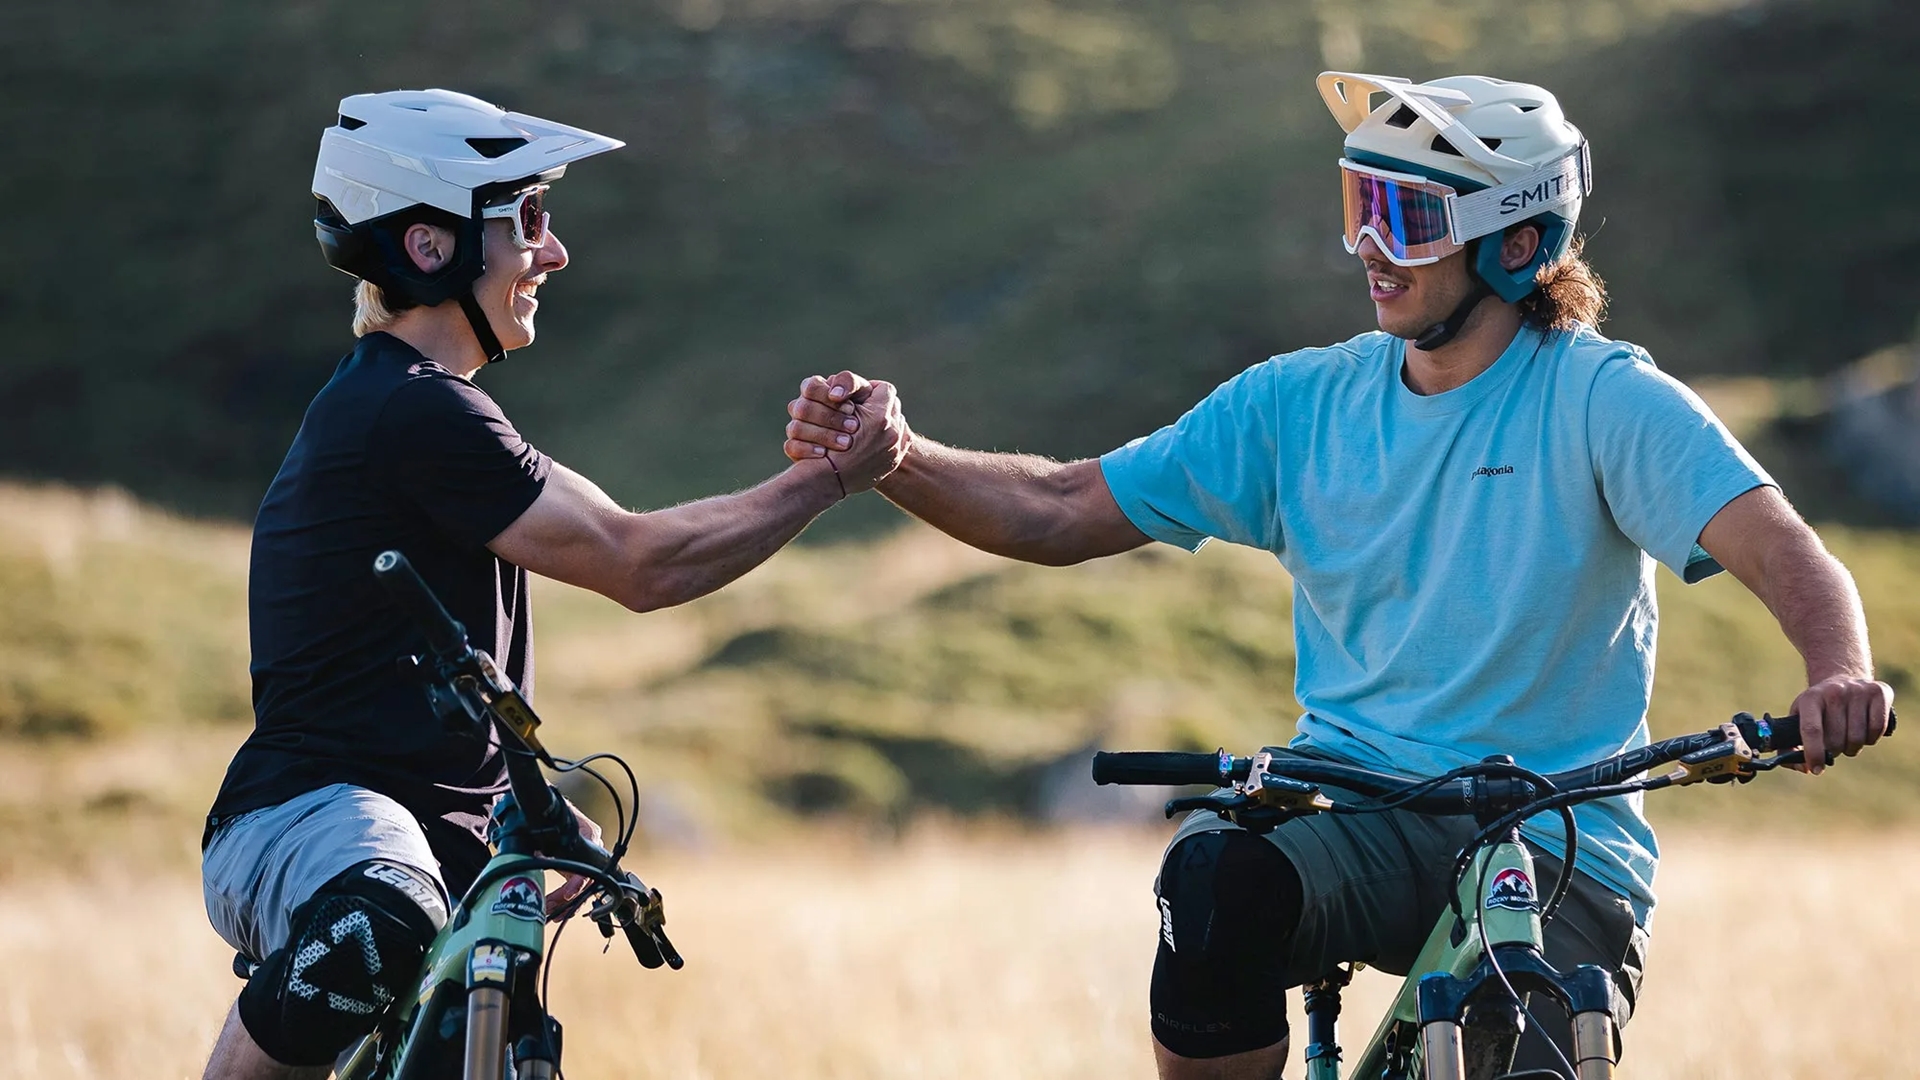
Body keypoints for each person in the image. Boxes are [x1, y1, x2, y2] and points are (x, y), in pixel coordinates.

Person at [783, 71, 1894, 1076]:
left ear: (1513, 242)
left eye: (1405, 220)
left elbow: (1783, 544)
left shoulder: (1606, 400)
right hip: (1359, 805)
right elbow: (1062, 505)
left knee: (1541, 1013)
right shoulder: (1299, 404)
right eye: (1360, 207)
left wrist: (1836, 668)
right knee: (1214, 881)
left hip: (1556, 839)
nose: (1369, 246)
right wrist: (899, 460)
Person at [200, 89, 908, 1079]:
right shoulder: (404, 410)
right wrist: (830, 480)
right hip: (310, 817)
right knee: (386, 915)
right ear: (432, 244)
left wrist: (806, 475)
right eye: (529, 218)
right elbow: (644, 569)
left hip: (440, 838)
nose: (555, 250)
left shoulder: (441, 415)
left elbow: (632, 534)